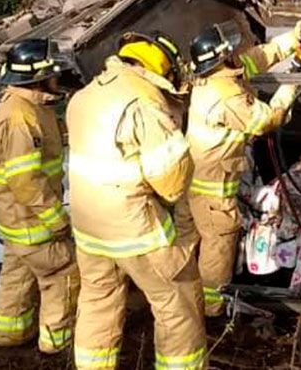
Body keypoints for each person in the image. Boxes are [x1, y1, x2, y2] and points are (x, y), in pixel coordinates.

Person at [65, 31, 206, 370]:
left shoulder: (84, 96)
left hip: (87, 229)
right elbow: (171, 182)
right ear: (161, 68)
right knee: (175, 301)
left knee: (97, 299)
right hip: (135, 230)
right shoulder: (144, 103)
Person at [184, 18, 301, 316]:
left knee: (191, 242)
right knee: (218, 245)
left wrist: (291, 39)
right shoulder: (225, 96)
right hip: (212, 193)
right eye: (228, 50)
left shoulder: (219, 76)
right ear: (219, 58)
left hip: (197, 183)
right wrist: (292, 83)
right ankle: (211, 311)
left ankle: (189, 299)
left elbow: (257, 58)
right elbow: (266, 119)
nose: (234, 53)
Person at [0, 38, 80, 353]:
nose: (58, 79)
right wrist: (56, 220)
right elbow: (26, 181)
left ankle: (10, 334)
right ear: (37, 77)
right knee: (63, 273)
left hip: (16, 221)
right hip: (33, 221)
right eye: (53, 74)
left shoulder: (23, 105)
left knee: (18, 274)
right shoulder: (20, 119)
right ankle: (56, 343)